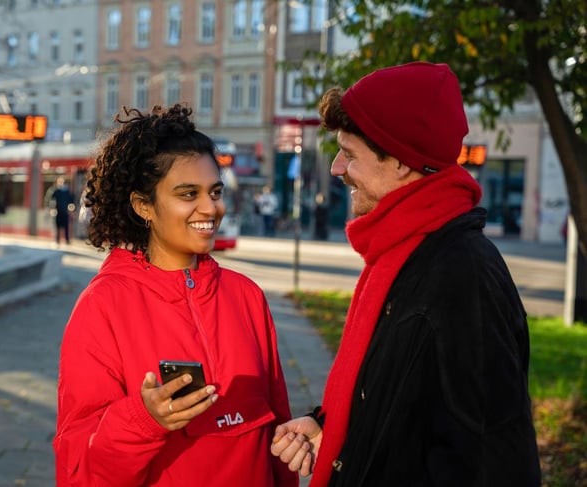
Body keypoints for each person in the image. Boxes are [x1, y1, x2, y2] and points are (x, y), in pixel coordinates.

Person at [270, 62, 541, 486]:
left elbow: (493, 457)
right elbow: (402, 398)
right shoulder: (402, 248)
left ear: (399, 161)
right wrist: (333, 426)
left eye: (350, 153)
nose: (338, 168)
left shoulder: (462, 275)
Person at [53, 104, 298, 487]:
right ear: (143, 206)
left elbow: (278, 428)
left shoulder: (247, 296)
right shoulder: (103, 307)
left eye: (214, 191)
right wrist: (144, 420)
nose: (210, 208)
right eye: (188, 194)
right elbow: (78, 467)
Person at [46, 177, 75, 245]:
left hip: (65, 212)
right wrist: (51, 208)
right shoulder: (56, 191)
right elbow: (49, 199)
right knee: (58, 227)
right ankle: (57, 240)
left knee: (65, 227)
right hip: (58, 212)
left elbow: (72, 201)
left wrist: (71, 210)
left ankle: (66, 240)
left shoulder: (67, 191)